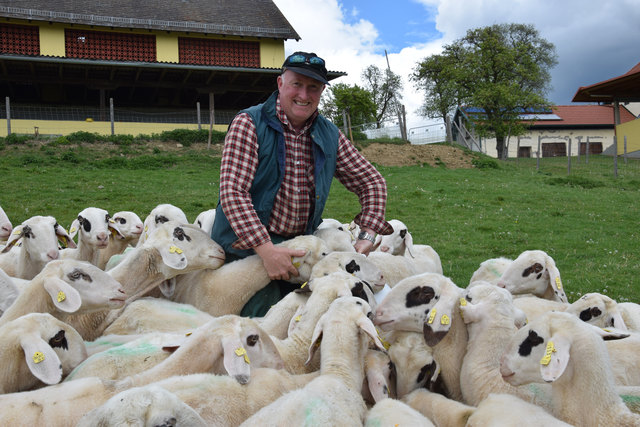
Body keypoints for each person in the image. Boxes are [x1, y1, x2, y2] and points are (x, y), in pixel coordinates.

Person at [211, 51, 392, 317]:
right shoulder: (249, 123)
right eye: (297, 84)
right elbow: (233, 193)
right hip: (246, 250)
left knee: (320, 311)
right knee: (266, 317)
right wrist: (267, 250)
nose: (304, 95)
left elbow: (372, 182)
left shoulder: (329, 133)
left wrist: (366, 236)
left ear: (321, 92)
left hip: (301, 249)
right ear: (280, 83)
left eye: (313, 88)